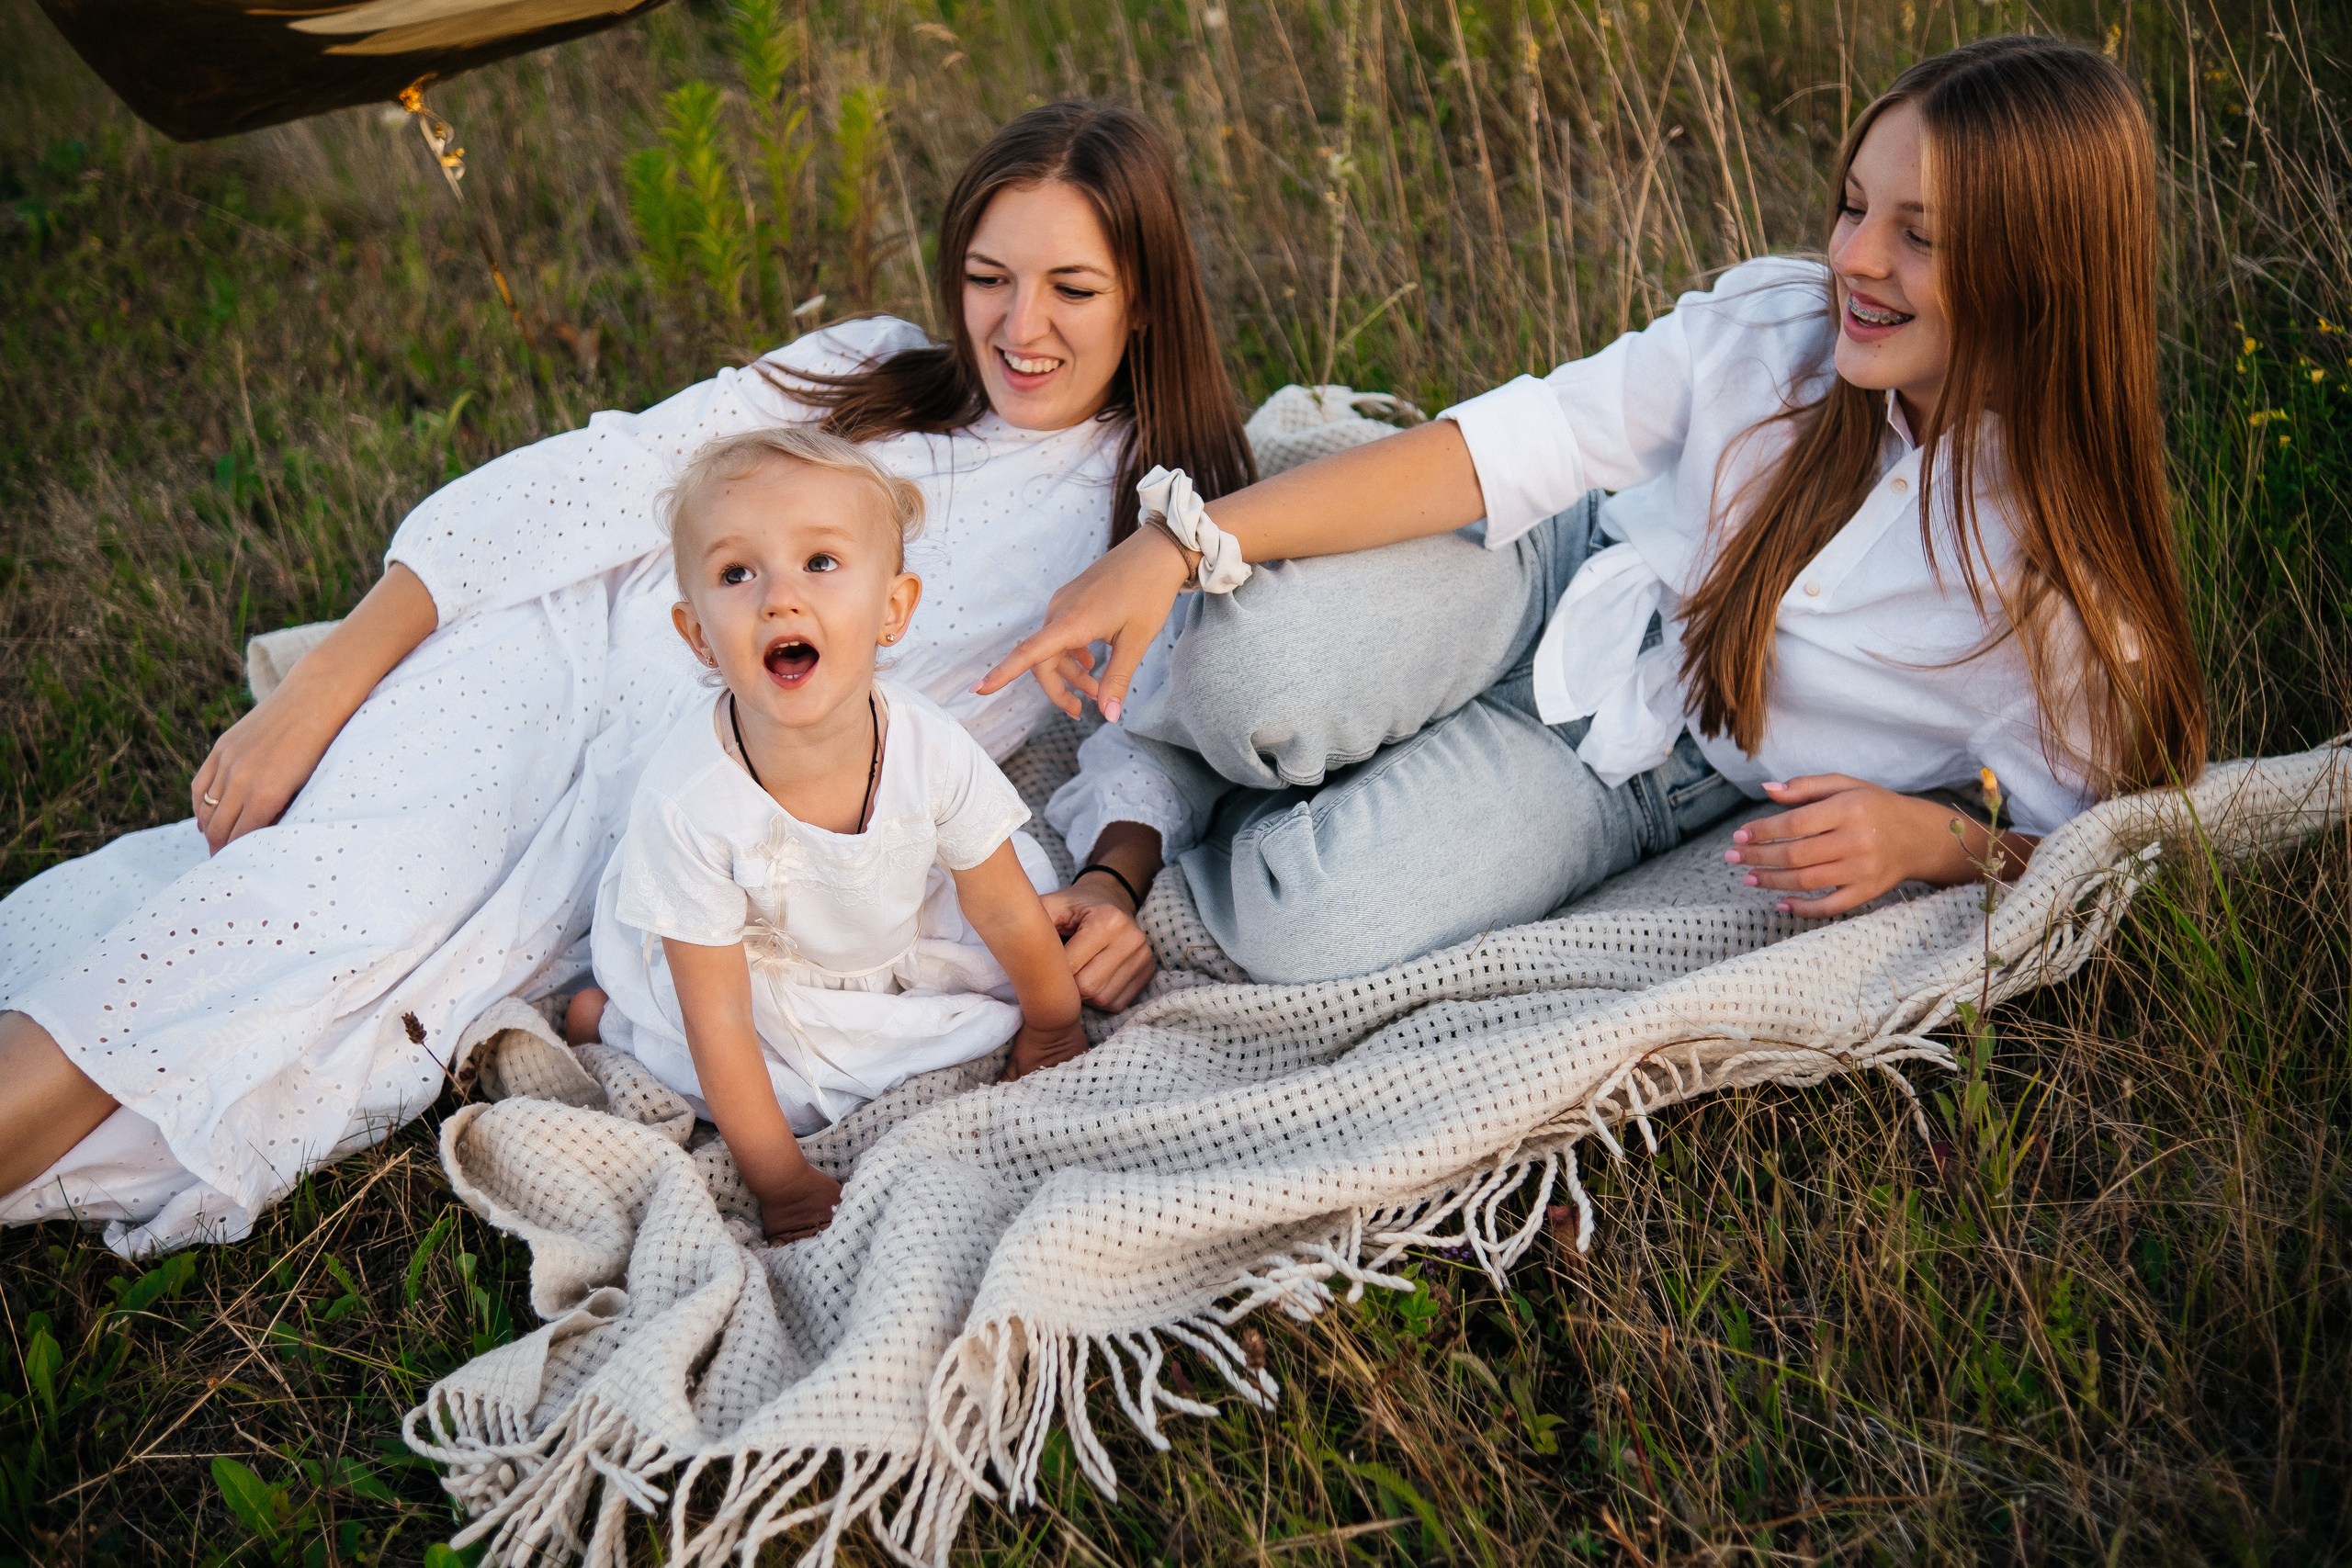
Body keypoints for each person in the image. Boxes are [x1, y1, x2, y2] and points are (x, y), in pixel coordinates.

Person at [0, 101, 1252, 1250]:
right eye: (988, 279)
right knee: (325, 907)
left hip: (671, 791)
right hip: (546, 667)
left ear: (1145, 299)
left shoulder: (1151, 517)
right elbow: (602, 476)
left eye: (1070, 289)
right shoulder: (873, 368)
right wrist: (322, 683)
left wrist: (1109, 872)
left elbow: (1152, 726)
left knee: (361, 1000)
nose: (1017, 328)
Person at [980, 35, 2208, 983]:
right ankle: (1164, 783)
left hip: (1654, 769)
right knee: (1241, 674)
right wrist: (1184, 538)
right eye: (1852, 206)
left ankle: (1188, 816)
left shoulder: (2063, 597)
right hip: (1549, 573)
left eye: (1918, 236)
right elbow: (1495, 451)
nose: (1851, 258)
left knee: (1304, 918)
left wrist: (1932, 841)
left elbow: (2093, 846)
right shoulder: (1773, 329)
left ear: (2043, 275)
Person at [572, 428, 1088, 1242]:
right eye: (737, 572)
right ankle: (610, 1013)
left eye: (819, 562)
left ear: (892, 610)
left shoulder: (927, 745)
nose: (780, 596)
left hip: (897, 922)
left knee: (1008, 956)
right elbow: (722, 1022)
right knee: (708, 1063)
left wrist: (1055, 1021)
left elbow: (1001, 906)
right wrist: (784, 1187)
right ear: (698, 635)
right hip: (754, 970)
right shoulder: (690, 802)